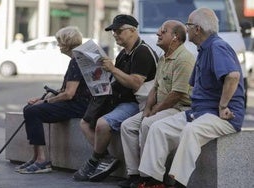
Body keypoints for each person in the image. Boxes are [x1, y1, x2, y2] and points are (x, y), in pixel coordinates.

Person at [137, 7, 245, 188]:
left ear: (197, 29)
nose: (185, 29)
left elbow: (233, 76)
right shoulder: (203, 49)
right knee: (158, 128)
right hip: (200, 112)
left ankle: (178, 183)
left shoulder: (217, 46)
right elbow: (194, 85)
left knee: (191, 131)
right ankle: (152, 181)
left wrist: (223, 105)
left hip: (223, 116)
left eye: (188, 25)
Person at [73, 14, 158, 182]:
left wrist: (112, 69)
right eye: (113, 32)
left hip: (137, 103)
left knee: (103, 124)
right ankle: (106, 158)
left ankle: (94, 161)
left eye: (119, 31)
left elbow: (135, 83)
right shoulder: (123, 54)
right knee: (84, 122)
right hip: (117, 99)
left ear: (133, 30)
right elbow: (115, 79)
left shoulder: (142, 52)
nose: (115, 35)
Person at [119, 20, 195, 188]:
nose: (158, 34)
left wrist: (154, 111)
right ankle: (134, 174)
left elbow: (177, 94)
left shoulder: (184, 59)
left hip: (178, 108)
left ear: (175, 37)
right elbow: (155, 88)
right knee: (127, 126)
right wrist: (147, 109)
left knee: (148, 124)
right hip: (159, 107)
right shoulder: (163, 57)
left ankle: (151, 178)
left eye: (163, 31)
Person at [15, 26, 92, 174]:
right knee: (29, 109)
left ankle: (42, 160)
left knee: (33, 112)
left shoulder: (77, 60)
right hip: (79, 103)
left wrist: (45, 102)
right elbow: (66, 90)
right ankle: (36, 156)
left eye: (59, 42)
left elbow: (69, 94)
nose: (58, 46)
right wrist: (43, 98)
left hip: (79, 106)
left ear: (66, 44)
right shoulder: (80, 57)